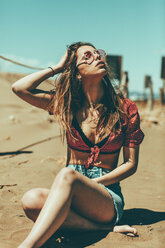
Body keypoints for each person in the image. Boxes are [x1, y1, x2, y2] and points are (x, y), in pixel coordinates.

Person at [12, 42, 144, 248]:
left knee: (67, 175)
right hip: (69, 193)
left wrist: (95, 184)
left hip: (105, 196)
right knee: (31, 200)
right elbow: (19, 88)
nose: (97, 57)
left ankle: (27, 246)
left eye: (98, 54)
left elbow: (130, 163)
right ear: (77, 73)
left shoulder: (125, 108)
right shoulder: (67, 105)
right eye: (88, 56)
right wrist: (57, 68)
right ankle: (102, 230)